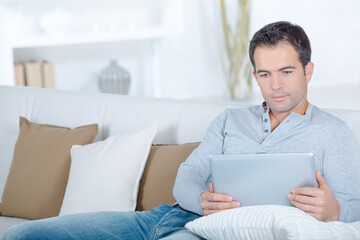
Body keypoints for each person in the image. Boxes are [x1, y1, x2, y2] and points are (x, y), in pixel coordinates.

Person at [4, 21, 360, 240]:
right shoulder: (229, 121)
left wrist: (333, 210)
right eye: (264, 75)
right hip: (171, 217)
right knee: (25, 234)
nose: (276, 85)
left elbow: (353, 206)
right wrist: (200, 200)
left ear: (308, 71)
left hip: (227, 234)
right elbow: (188, 174)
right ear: (255, 77)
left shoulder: (333, 133)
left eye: (286, 71)